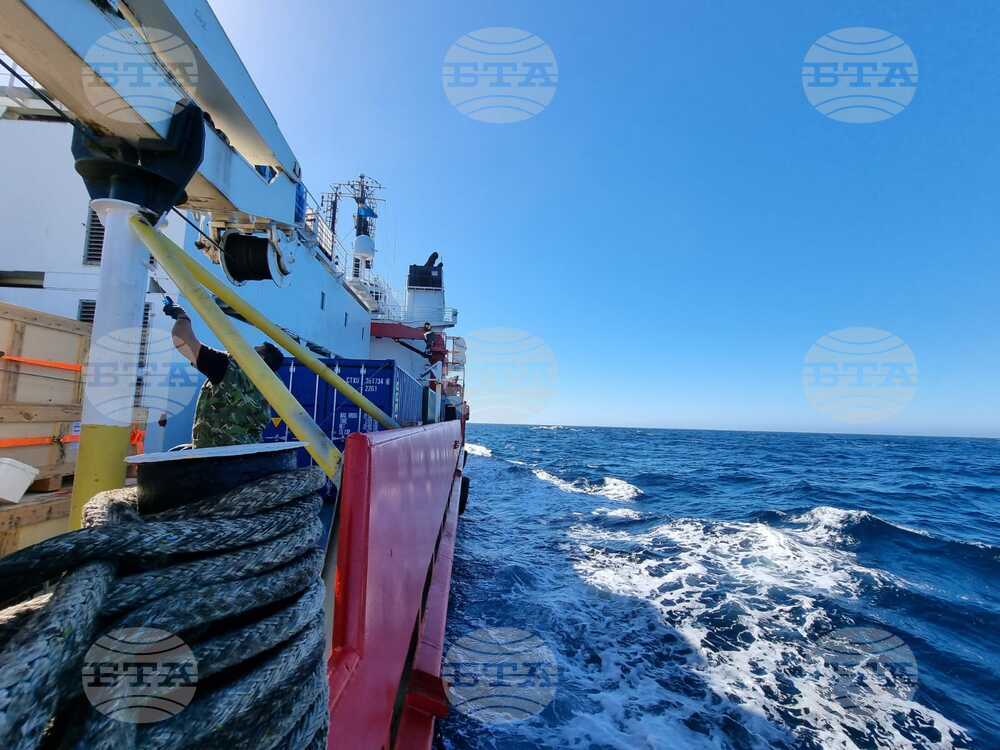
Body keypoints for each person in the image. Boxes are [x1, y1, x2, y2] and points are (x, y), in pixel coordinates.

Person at [163, 297, 284, 448]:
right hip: (248, 452)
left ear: (260, 357)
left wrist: (181, 315)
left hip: (216, 457)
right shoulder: (269, 386)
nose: (249, 350)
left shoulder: (228, 368)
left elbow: (182, 340)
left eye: (255, 349)